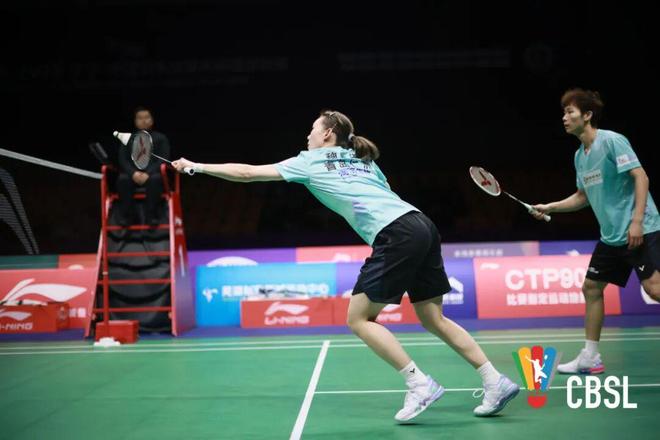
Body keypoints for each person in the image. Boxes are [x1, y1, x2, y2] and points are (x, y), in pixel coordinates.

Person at [172, 110, 519, 421]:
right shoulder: (362, 158)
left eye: (312, 128)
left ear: (327, 134)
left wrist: (196, 166)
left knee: (358, 318)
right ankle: (494, 381)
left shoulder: (309, 160)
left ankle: (419, 384)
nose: (307, 134)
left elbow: (247, 173)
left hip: (396, 233)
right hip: (421, 224)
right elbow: (384, 194)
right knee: (433, 317)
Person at [532, 89, 660, 374]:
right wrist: (551, 207)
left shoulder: (612, 141)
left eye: (570, 112)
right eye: (564, 113)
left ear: (587, 115)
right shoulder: (580, 156)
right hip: (612, 236)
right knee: (591, 288)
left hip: (639, 229)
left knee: (654, 289)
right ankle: (590, 357)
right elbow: (582, 196)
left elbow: (640, 176)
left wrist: (637, 221)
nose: (564, 118)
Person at [116, 106, 171, 226]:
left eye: (146, 117)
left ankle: (152, 216)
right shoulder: (128, 138)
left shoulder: (161, 138)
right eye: (140, 118)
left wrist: (148, 173)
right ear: (135, 121)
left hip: (153, 174)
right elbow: (122, 160)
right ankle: (128, 217)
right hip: (132, 175)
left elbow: (164, 159)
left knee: (155, 179)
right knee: (123, 179)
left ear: (152, 120)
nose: (144, 120)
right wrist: (133, 173)